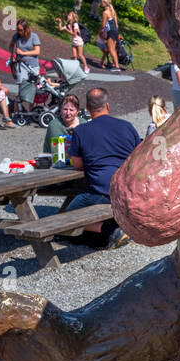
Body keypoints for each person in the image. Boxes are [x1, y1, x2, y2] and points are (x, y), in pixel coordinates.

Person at [65, 86, 139, 247]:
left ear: (87, 109)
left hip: (102, 189)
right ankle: (117, 226)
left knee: (65, 218)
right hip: (128, 189)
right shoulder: (127, 126)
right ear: (107, 106)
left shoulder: (81, 131)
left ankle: (110, 230)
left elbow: (77, 165)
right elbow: (138, 156)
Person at [42, 91, 90, 162]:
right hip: (56, 162)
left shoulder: (84, 125)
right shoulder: (54, 125)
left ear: (77, 111)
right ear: (60, 110)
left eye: (71, 110)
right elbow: (55, 150)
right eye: (65, 109)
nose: (68, 113)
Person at [97, 0, 121, 71]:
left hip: (110, 32)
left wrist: (100, 32)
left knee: (111, 49)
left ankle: (116, 67)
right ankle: (116, 65)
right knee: (113, 49)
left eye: (102, 2)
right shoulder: (113, 12)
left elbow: (103, 25)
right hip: (115, 32)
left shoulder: (105, 12)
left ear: (105, 3)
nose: (101, 3)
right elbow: (116, 25)